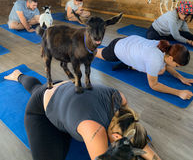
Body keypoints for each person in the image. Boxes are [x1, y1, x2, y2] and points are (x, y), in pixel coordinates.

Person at [4, 70, 161, 160]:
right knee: (36, 90)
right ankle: (19, 76)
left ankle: (19, 76)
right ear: (118, 137)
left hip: (66, 87)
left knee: (38, 87)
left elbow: (140, 142)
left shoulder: (121, 100)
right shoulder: (95, 131)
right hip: (41, 108)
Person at [96, 35, 193, 100]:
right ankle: (86, 48)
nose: (176, 67)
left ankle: (129, 65)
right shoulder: (155, 60)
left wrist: (182, 78)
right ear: (171, 58)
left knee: (161, 70)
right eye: (177, 65)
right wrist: (179, 93)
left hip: (128, 42)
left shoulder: (166, 47)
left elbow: (167, 64)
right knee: (95, 52)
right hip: (118, 48)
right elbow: (154, 85)